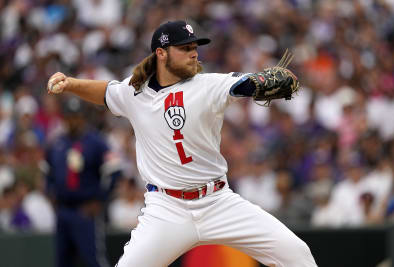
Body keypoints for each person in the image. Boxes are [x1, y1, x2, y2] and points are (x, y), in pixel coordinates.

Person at [47, 20, 317, 267]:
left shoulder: (208, 85)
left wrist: (258, 82)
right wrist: (70, 83)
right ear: (161, 54)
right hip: (167, 210)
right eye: (185, 48)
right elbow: (107, 92)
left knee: (297, 254)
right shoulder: (135, 92)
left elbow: (240, 85)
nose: (194, 53)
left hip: (218, 202)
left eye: (194, 47)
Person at [45, 97, 121, 267]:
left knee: (93, 260)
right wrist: (50, 193)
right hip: (63, 211)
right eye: (69, 117)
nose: (73, 121)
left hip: (85, 211)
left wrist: (100, 200)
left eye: (76, 116)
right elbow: (47, 171)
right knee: (62, 261)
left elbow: (115, 171)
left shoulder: (96, 142)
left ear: (83, 118)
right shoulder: (57, 142)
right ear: (64, 118)